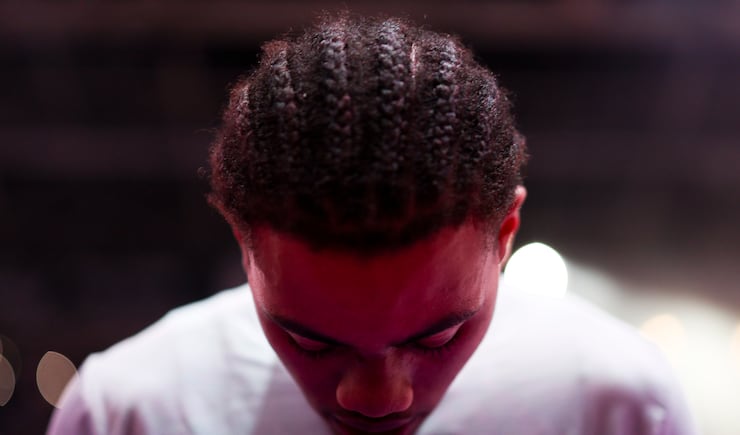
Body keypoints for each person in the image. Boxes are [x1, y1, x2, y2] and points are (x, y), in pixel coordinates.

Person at [47, 13, 696, 435]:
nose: (378, 399)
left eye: (439, 336)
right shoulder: (128, 412)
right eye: (311, 343)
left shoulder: (618, 405)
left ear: (505, 236)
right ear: (244, 244)